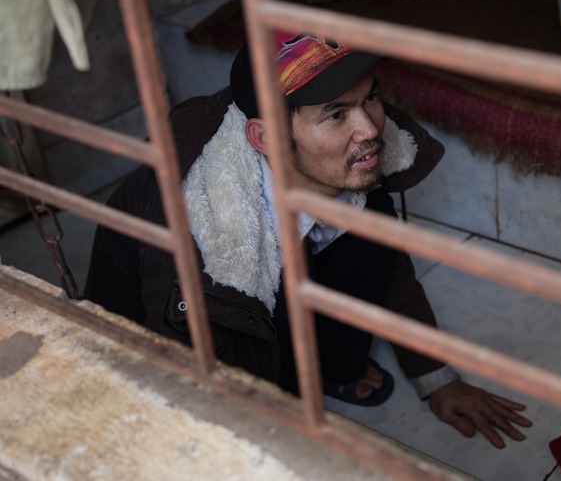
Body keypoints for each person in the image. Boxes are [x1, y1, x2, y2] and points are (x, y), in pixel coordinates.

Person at [85, 33, 532, 448]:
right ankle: (294, 383)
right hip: (181, 337)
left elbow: (392, 265)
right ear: (265, 137)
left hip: (292, 237)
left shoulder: (343, 159)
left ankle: (331, 369)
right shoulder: (205, 226)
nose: (370, 129)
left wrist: (437, 378)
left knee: (369, 217)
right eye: (336, 114)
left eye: (370, 97)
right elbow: (190, 382)